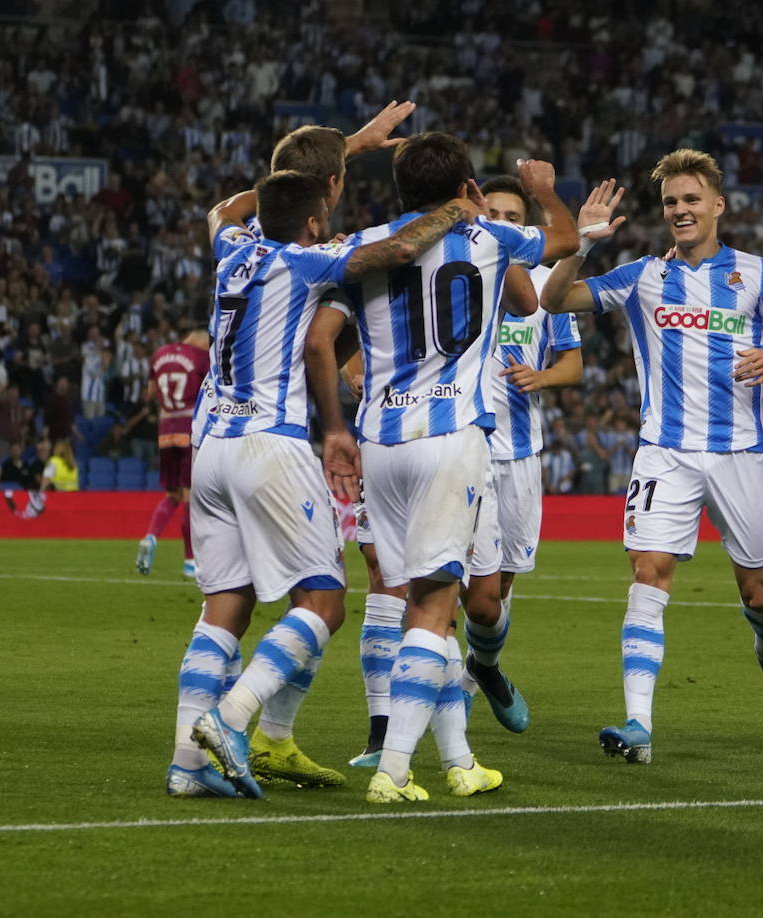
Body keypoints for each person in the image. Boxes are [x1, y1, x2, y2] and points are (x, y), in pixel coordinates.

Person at [170, 165, 487, 799]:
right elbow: (398, 249)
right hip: (269, 445)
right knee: (323, 602)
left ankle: (187, 766)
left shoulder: (230, 245)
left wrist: (342, 151)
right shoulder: (310, 259)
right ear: (314, 221)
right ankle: (231, 724)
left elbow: (222, 210)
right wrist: (455, 207)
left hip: (210, 450)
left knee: (224, 608)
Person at [541, 150, 763, 765]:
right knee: (648, 572)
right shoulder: (641, 277)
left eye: (691, 200)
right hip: (665, 451)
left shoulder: (758, 275)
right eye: (670, 203)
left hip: (742, 453)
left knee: (758, 590)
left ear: (717, 205)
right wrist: (581, 239)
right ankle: (639, 723)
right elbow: (555, 300)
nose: (680, 211)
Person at [344, 133, 576, 803]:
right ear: (468, 188)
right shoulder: (490, 239)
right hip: (451, 436)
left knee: (416, 602)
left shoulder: (364, 246)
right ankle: (392, 769)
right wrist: (540, 190)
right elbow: (562, 241)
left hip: (380, 442)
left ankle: (459, 760)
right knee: (434, 604)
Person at [460, 174, 585, 733]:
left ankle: (482, 668)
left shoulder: (545, 286)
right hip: (466, 450)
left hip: (522, 455)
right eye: (497, 214)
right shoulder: (460, 274)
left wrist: (542, 376)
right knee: (458, 584)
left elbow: (574, 366)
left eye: (516, 216)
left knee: (502, 584)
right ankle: (452, 701)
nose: (506, 224)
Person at [134, 324, 211, 579]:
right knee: (190, 497)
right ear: (202, 340)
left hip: (166, 428)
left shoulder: (159, 354)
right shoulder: (201, 357)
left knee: (172, 494)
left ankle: (151, 536)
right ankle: (190, 561)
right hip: (189, 427)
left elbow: (150, 392)